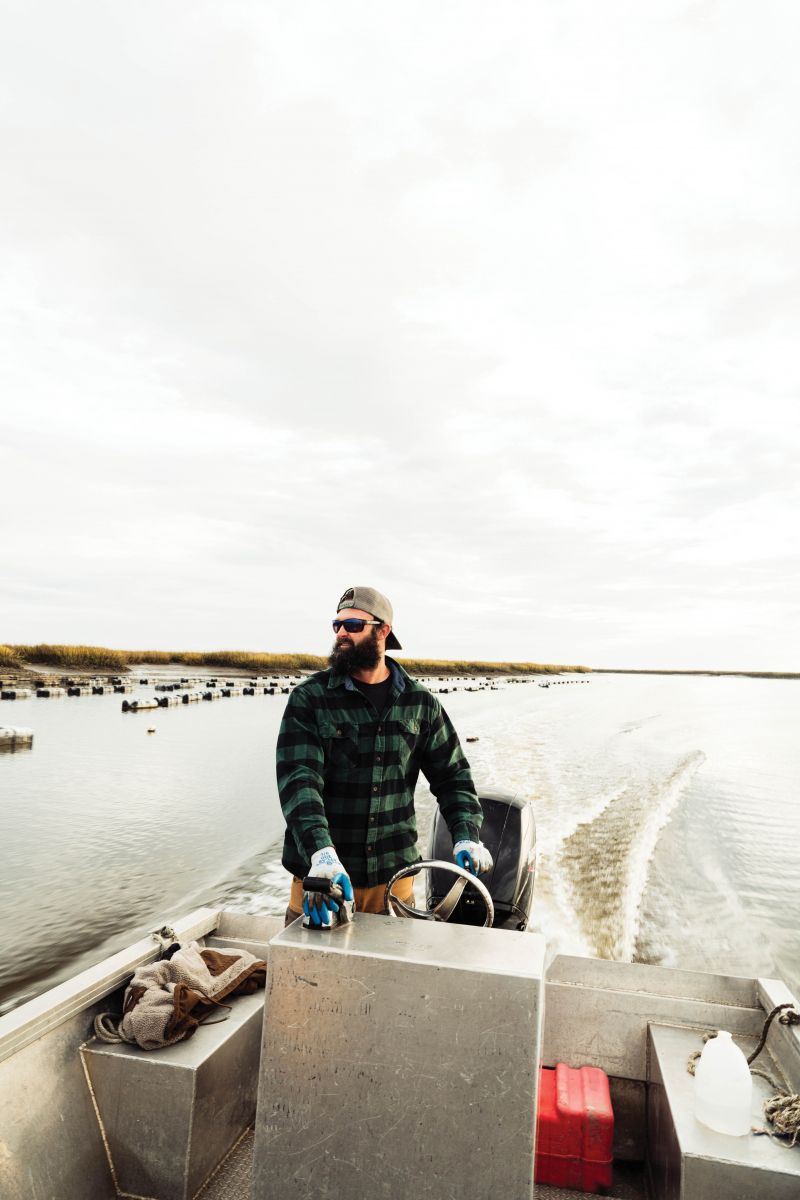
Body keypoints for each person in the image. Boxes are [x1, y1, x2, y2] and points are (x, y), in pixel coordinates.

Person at [276, 585, 493, 926]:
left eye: (353, 625)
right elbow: (298, 781)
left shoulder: (420, 703)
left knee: (393, 978)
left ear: (383, 630)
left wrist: (466, 833)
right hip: (321, 881)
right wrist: (321, 853)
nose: (342, 633)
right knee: (306, 975)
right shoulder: (310, 699)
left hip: (395, 881)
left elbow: (453, 778)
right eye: (337, 626)